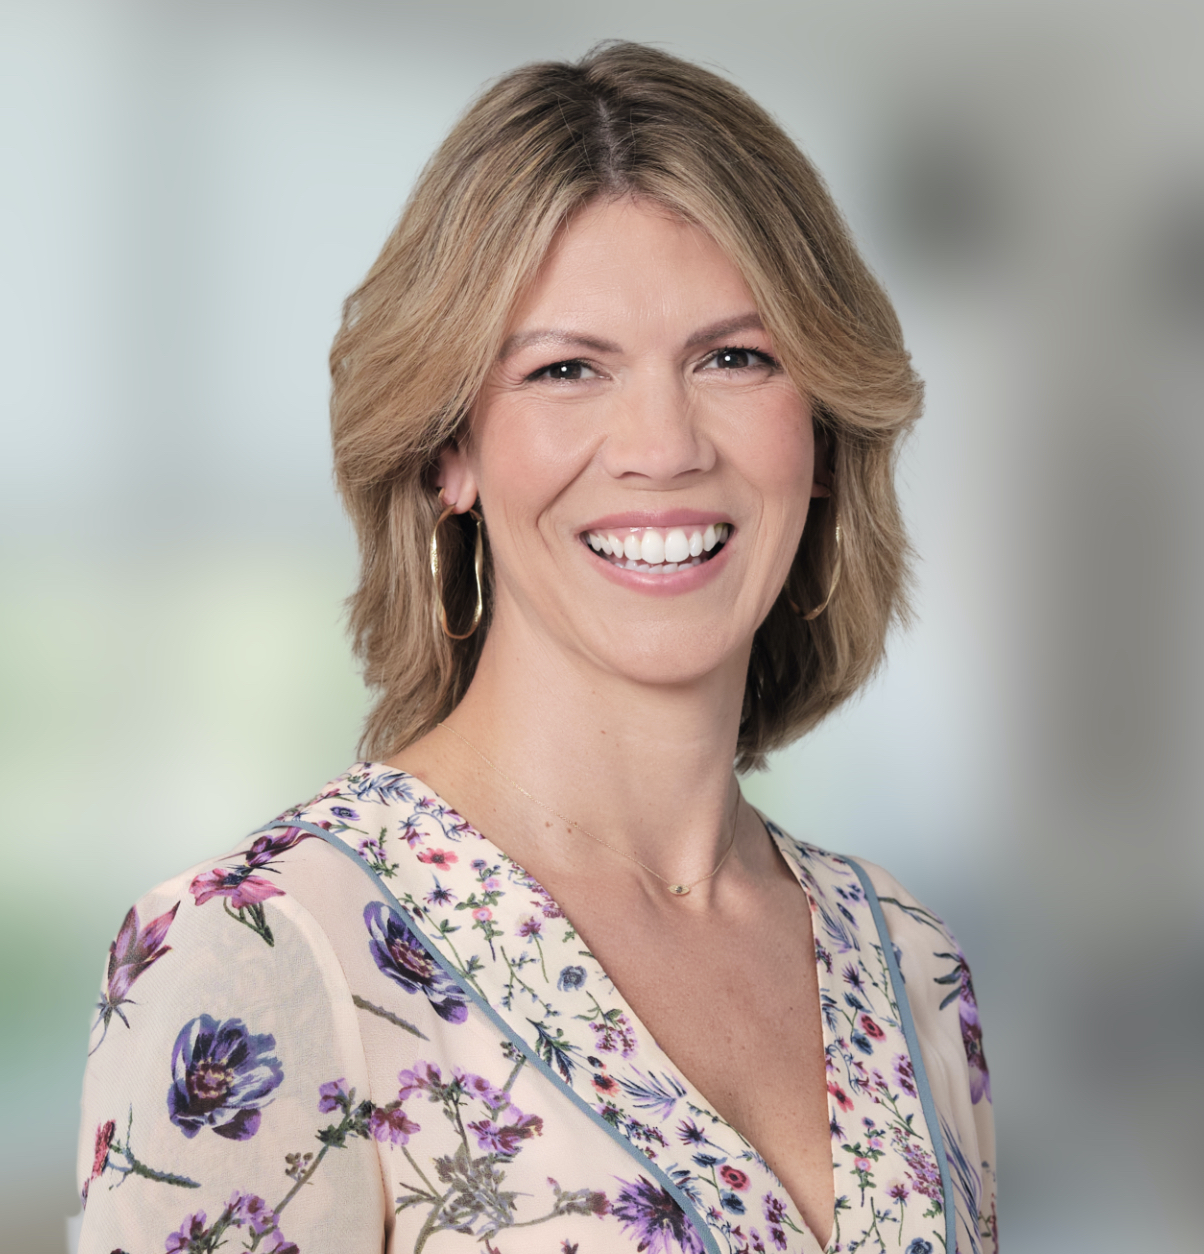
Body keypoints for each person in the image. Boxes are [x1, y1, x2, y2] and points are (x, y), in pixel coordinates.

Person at [74, 42, 996, 1254]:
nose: (661, 446)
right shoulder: (259, 955)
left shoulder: (908, 959)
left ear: (819, 430)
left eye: (735, 358)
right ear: (448, 450)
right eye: (566, 369)